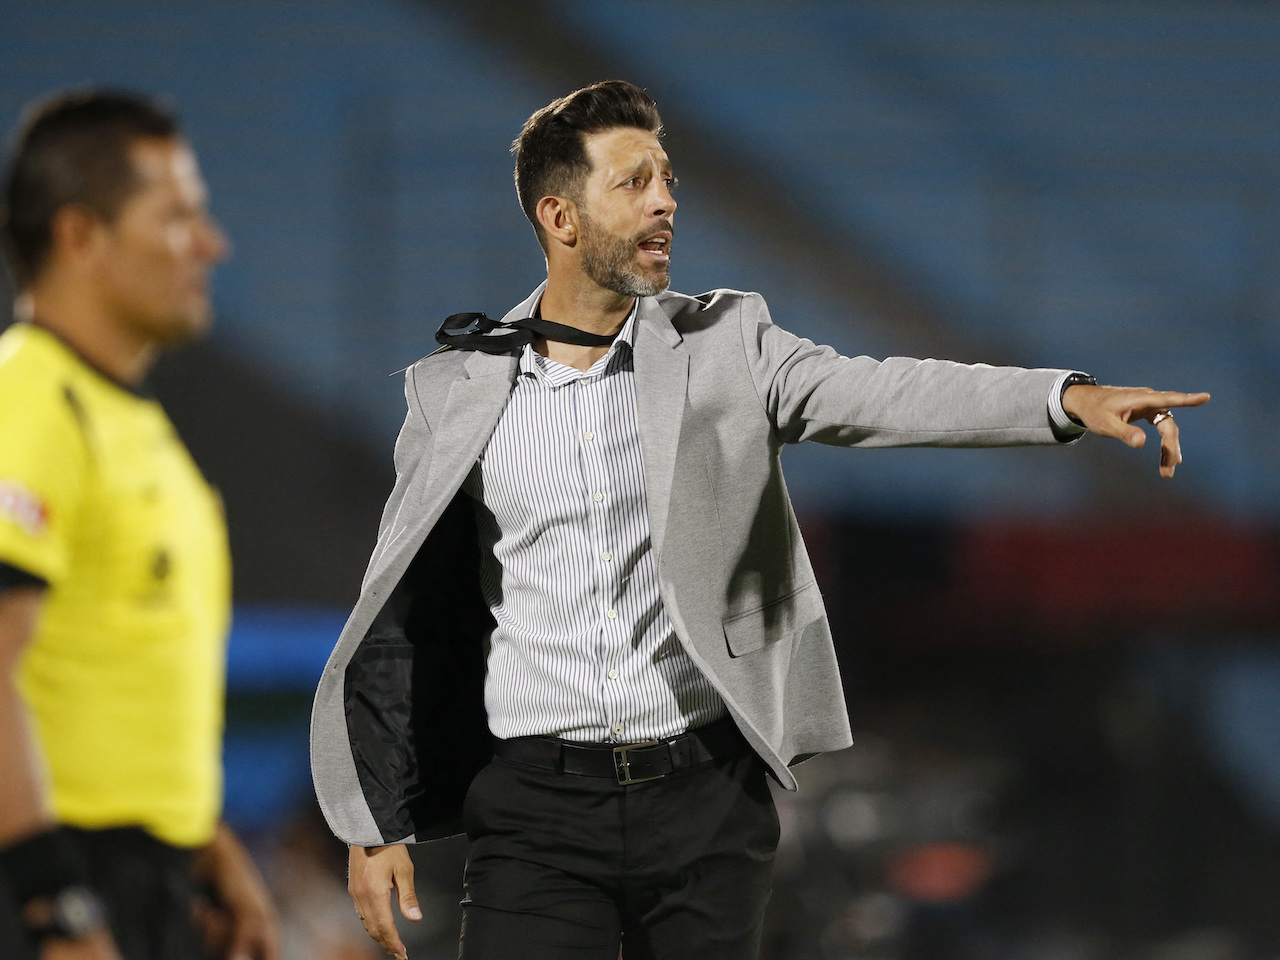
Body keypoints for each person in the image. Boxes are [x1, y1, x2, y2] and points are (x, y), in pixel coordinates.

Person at [309, 80, 1209, 960]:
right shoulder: (453, 390)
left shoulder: (726, 346)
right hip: (537, 807)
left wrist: (1066, 397)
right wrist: (373, 819)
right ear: (560, 217)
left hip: (703, 799)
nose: (665, 203)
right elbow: (406, 612)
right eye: (634, 183)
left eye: (668, 181)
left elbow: (883, 391)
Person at [0, 89, 280, 960]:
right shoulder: (30, 397)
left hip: (140, 883)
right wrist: (56, 909)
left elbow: (114, 681)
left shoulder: (132, 424)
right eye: (178, 218)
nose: (210, 244)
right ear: (81, 237)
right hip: (52, 881)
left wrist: (203, 841)